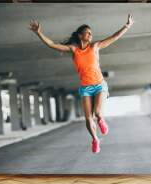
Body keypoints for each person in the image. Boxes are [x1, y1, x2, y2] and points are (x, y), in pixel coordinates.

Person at [29, 14, 134, 153]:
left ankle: (101, 120)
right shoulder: (74, 50)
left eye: (91, 33)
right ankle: (95, 139)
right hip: (86, 88)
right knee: (88, 118)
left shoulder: (95, 47)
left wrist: (126, 26)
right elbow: (53, 45)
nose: (90, 35)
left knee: (97, 113)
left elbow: (113, 37)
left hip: (99, 84)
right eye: (88, 33)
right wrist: (39, 33)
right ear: (80, 35)